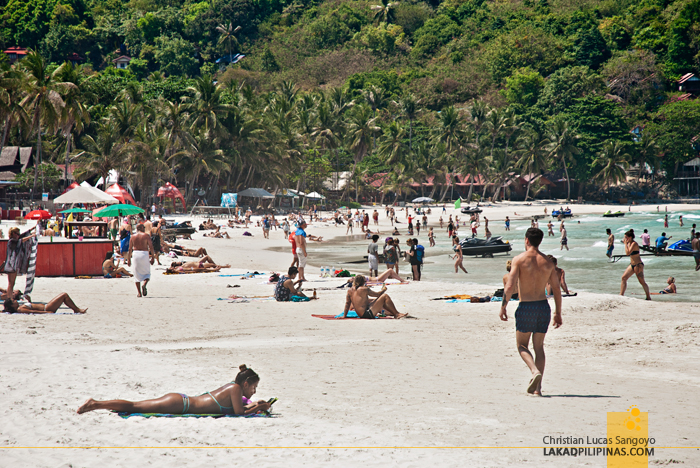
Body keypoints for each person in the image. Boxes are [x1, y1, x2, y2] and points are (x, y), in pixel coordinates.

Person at [500, 228, 562, 396]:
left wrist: (503, 306)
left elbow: (510, 286)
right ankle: (537, 389)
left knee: (521, 345)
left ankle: (534, 371)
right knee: (539, 347)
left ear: (526, 240)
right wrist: (558, 312)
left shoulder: (519, 260)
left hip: (526, 307)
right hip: (543, 307)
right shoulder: (548, 262)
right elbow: (556, 289)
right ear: (540, 241)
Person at [78, 364, 271, 416]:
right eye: (254, 387)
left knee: (136, 405)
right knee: (135, 406)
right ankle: (95, 404)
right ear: (246, 384)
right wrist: (259, 407)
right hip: (180, 404)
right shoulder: (236, 388)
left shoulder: (233, 387)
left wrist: (256, 404)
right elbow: (239, 413)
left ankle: (97, 404)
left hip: (181, 401)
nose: (254, 392)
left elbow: (240, 408)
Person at [342, 275, 408, 319]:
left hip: (360, 314)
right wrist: (383, 290)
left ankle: (395, 313)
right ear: (363, 282)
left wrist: (344, 316)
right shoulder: (364, 289)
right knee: (385, 296)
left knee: (379, 300)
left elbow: (347, 304)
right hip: (367, 314)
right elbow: (378, 294)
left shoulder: (349, 290)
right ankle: (396, 314)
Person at [2, 227, 36, 300]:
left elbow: (22, 236)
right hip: (11, 265)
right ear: (14, 233)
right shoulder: (12, 241)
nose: (18, 235)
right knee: (11, 283)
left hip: (13, 265)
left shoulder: (14, 240)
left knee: (12, 283)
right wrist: (31, 236)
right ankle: (9, 298)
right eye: (17, 234)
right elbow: (21, 240)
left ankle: (10, 297)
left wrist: (31, 229)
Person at [620, 229, 651, 300]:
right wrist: (626, 244)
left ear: (630, 237)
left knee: (642, 282)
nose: (625, 239)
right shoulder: (629, 244)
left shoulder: (634, 244)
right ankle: (621, 295)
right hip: (632, 265)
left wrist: (625, 244)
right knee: (624, 278)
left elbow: (627, 253)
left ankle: (648, 297)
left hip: (638, 265)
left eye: (626, 237)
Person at [127, 224, 155, 298]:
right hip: (144, 254)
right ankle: (144, 284)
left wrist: (128, 259)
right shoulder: (146, 236)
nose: (145, 228)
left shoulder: (133, 236)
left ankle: (139, 293)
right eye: (144, 227)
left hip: (135, 254)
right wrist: (153, 257)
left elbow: (130, 249)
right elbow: (151, 246)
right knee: (147, 273)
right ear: (141, 228)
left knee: (136, 274)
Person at [3, 293, 87, 314]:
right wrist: (46, 312)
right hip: (47, 308)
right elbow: (33, 311)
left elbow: (32, 307)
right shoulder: (20, 309)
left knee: (63, 296)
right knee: (64, 295)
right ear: (12, 305)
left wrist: (29, 301)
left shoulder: (20, 307)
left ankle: (76, 309)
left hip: (47, 307)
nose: (15, 301)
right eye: (13, 301)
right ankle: (77, 310)